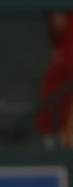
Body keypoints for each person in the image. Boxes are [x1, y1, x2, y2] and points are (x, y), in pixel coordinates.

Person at [35, 11, 73, 147]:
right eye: (51, 18)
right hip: (51, 123)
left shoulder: (70, 44)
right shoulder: (59, 44)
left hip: (63, 125)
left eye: (57, 17)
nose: (53, 22)